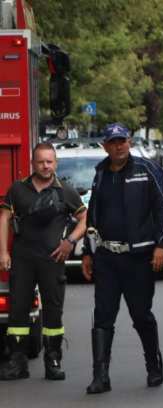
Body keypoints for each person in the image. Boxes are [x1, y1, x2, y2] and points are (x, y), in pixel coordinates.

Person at [81, 123, 163, 394]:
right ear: (105, 146)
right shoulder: (100, 173)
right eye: (112, 142)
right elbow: (92, 215)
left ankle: (153, 365)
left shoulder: (147, 170)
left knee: (141, 315)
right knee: (102, 317)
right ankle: (101, 376)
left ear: (129, 142)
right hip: (107, 257)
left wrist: (161, 245)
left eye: (122, 141)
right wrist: (88, 251)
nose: (118, 146)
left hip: (139, 257)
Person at [0, 142, 86, 381]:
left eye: (49, 161)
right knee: (18, 311)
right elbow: (4, 217)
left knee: (53, 313)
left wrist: (70, 241)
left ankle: (53, 361)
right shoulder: (17, 189)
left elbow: (85, 218)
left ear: (55, 163)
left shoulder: (65, 191)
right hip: (23, 259)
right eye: (41, 162)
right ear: (33, 163)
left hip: (52, 260)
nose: (45, 166)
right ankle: (18, 363)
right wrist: (3, 253)